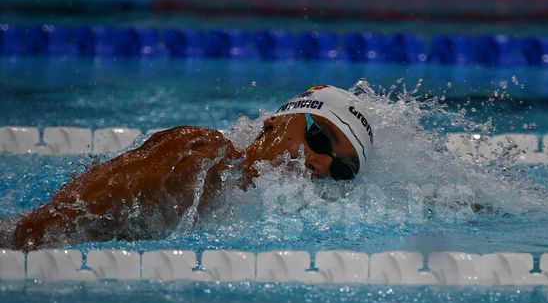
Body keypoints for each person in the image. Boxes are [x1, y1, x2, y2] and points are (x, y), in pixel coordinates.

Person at [9, 85, 374, 251]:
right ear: (276, 121)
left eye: (342, 169)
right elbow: (41, 226)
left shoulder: (254, 214)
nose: (321, 163)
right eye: (320, 138)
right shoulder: (199, 155)